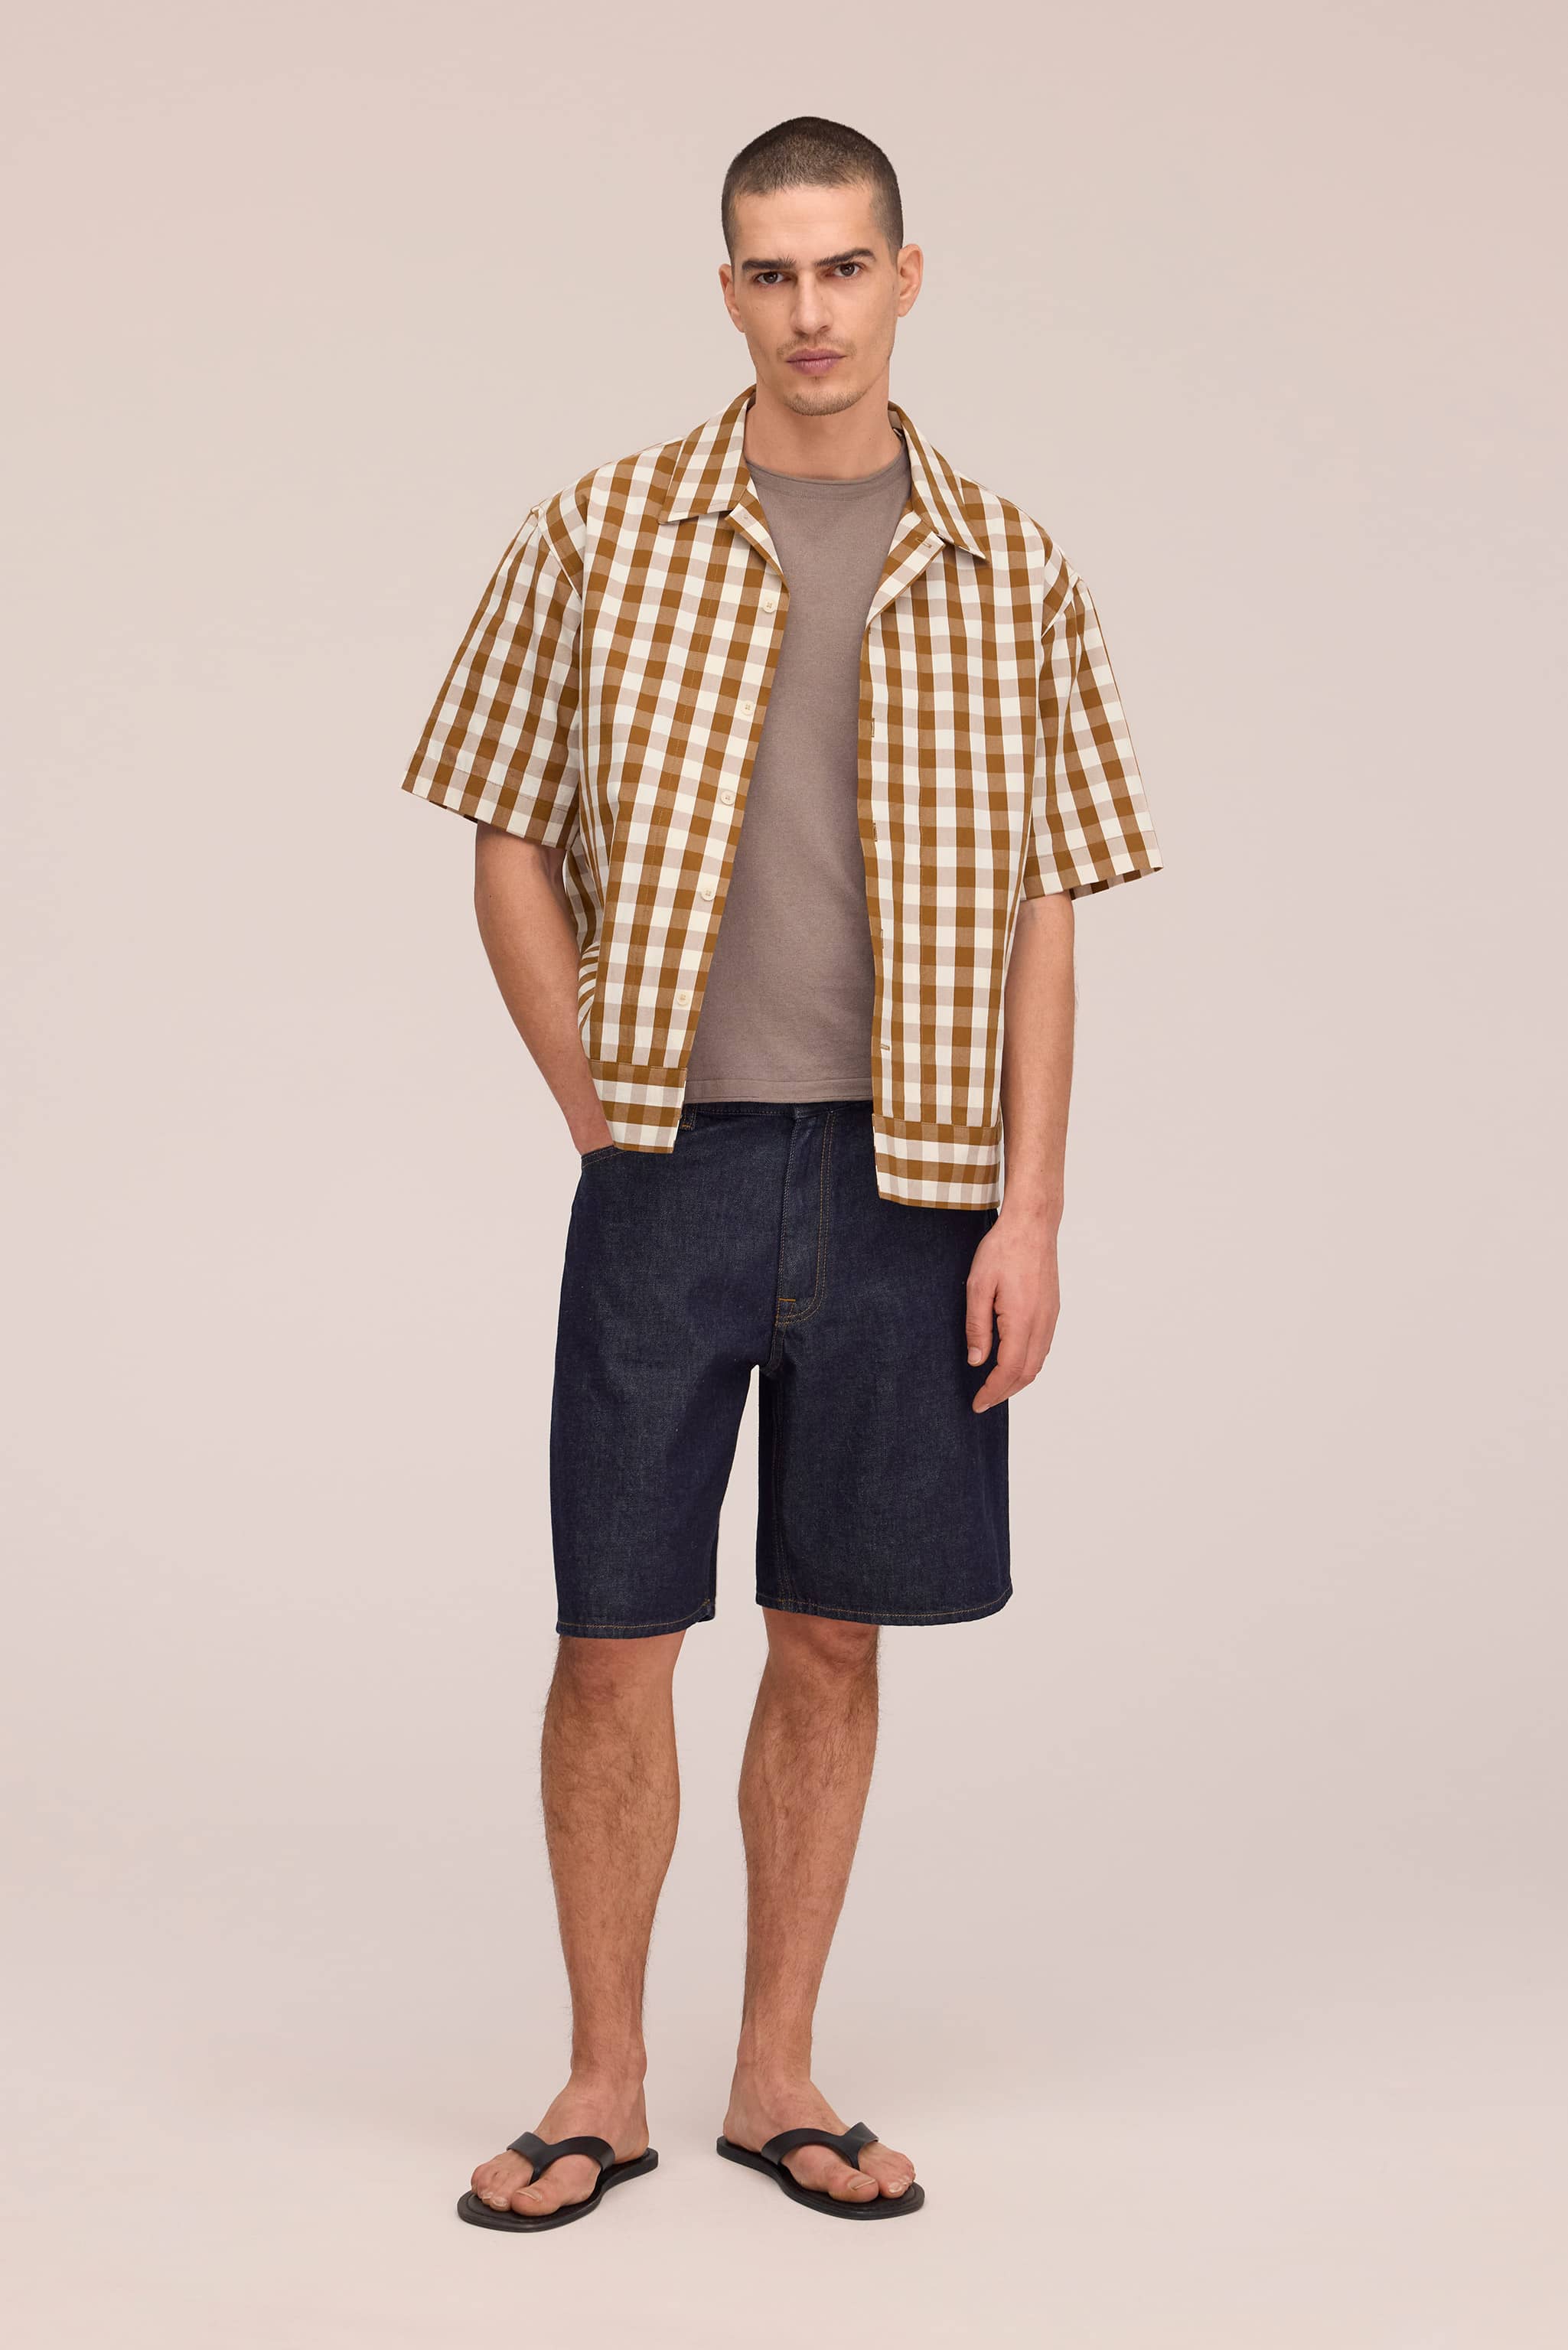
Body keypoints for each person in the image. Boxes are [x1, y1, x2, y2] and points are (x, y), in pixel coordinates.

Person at [400, 114, 1162, 2231]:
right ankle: (600, 2081)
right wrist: (598, 1108)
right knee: (614, 1634)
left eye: (842, 268)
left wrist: (1030, 1209)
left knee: (832, 1636)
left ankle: (775, 2076)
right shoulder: (598, 532)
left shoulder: (1011, 565)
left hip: (917, 1182)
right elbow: (502, 837)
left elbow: (1046, 907)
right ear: (726, 289)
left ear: (908, 277)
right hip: (675, 1164)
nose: (809, 311)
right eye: (769, 271)